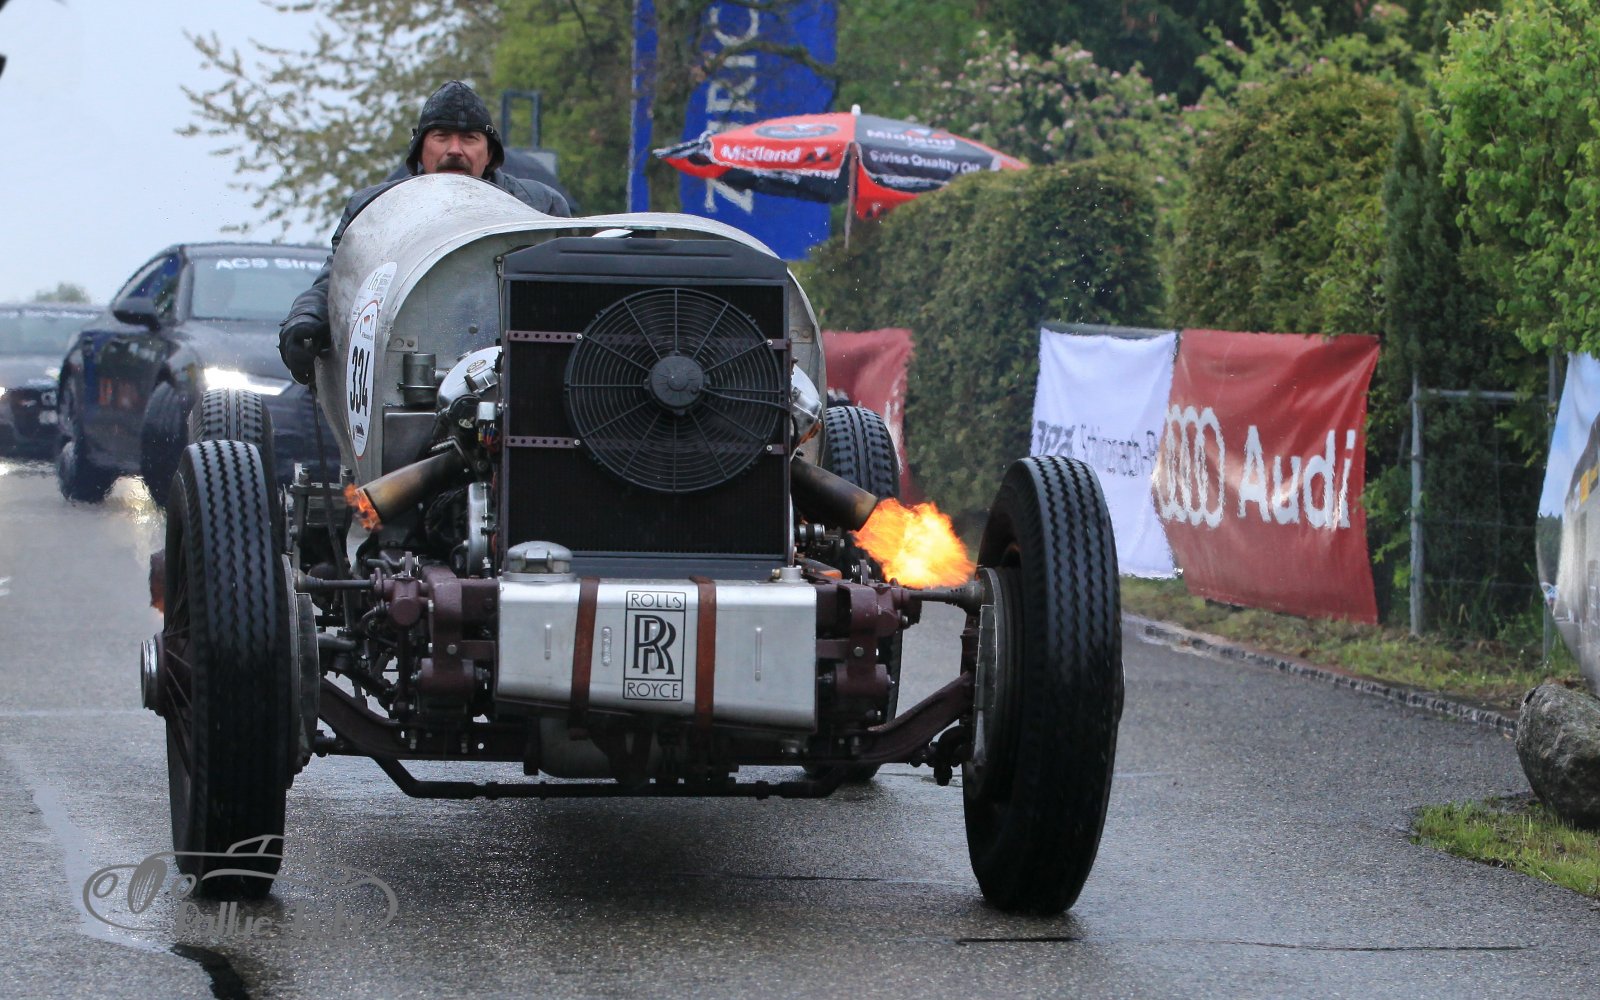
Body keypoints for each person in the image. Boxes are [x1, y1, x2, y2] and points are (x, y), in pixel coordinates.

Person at [279, 81, 572, 383]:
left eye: (469, 138)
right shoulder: (374, 211)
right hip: (404, 378)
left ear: (489, 154)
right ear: (420, 149)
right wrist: (305, 320)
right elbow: (338, 285)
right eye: (441, 136)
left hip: (518, 376)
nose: (454, 150)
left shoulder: (539, 208)